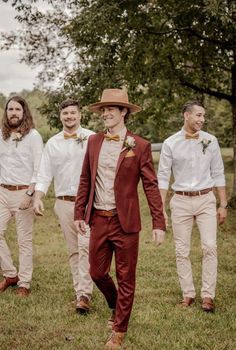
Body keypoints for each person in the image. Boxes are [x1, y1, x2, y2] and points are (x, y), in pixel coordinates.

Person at [74, 88, 166, 349]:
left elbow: (150, 186)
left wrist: (158, 223)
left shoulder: (140, 145)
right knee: (96, 272)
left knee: (126, 277)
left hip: (125, 222)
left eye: (110, 109)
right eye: (102, 109)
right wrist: (80, 212)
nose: (105, 113)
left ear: (123, 112)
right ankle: (116, 305)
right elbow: (85, 179)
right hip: (98, 219)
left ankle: (119, 330)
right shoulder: (93, 142)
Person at [158, 100, 227, 313]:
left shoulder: (211, 140)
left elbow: (218, 173)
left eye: (203, 116)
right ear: (186, 115)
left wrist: (223, 204)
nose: (202, 119)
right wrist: (160, 210)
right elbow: (162, 177)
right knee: (182, 250)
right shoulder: (170, 143)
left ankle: (208, 295)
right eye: (198, 115)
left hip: (206, 199)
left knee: (209, 247)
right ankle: (188, 293)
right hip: (180, 201)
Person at [33, 99, 94, 313]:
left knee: (86, 247)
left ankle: (85, 293)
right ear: (60, 116)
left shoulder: (92, 138)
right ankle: (81, 293)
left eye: (73, 113)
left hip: (87, 203)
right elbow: (44, 174)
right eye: (65, 113)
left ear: (80, 115)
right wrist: (38, 197)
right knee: (74, 250)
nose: (69, 116)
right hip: (63, 203)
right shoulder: (52, 143)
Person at [0, 95, 43, 297]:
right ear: (6, 112)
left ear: (24, 112)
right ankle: (10, 274)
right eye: (10, 109)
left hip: (23, 193)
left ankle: (24, 282)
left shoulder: (33, 136)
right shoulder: (1, 134)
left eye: (18, 109)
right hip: (2, 192)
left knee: (23, 240)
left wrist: (30, 193)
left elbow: (39, 168)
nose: (14, 113)